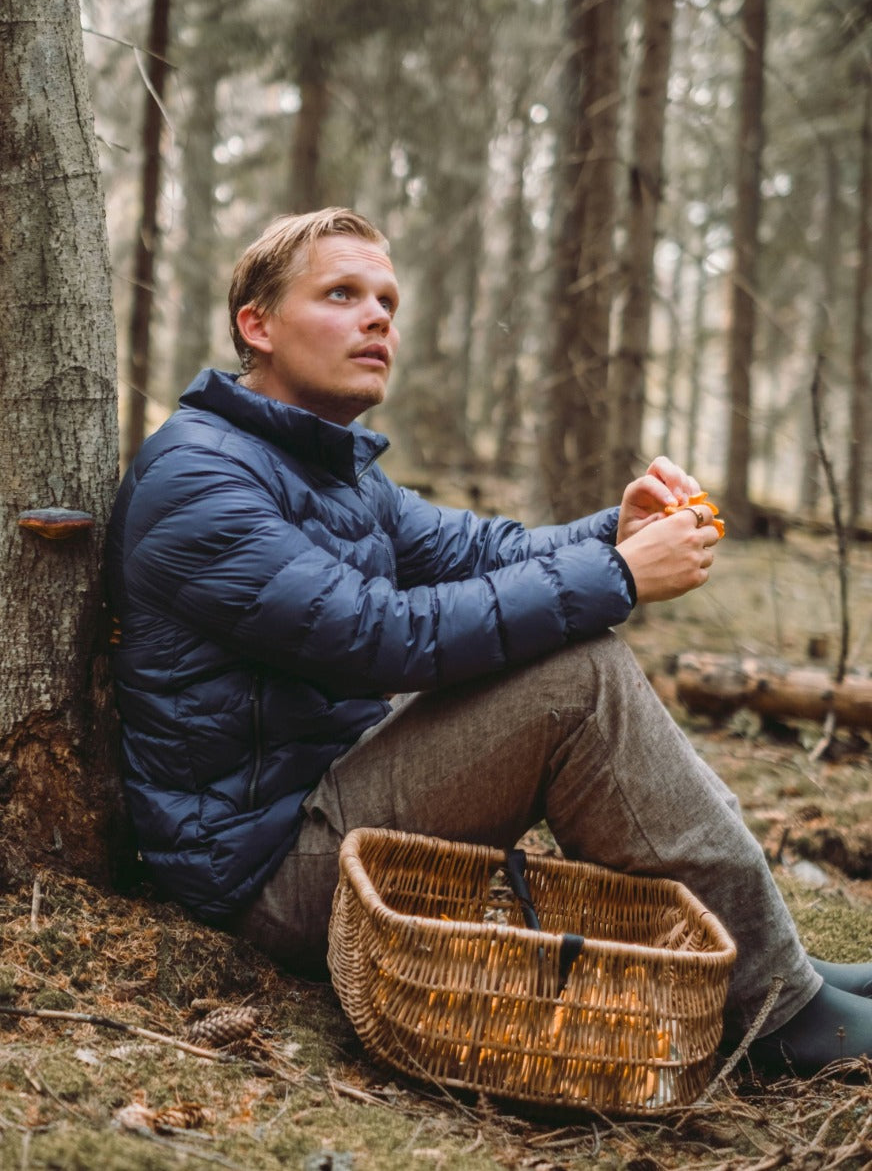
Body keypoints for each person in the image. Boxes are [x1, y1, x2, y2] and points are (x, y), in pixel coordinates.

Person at [106, 207, 872, 1077]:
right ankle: (778, 1013)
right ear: (258, 325)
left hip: (324, 801)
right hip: (264, 874)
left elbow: (476, 551)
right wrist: (620, 577)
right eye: (343, 294)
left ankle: (775, 961)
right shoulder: (200, 476)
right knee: (576, 680)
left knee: (570, 657)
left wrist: (612, 534)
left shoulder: (327, 466)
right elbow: (379, 635)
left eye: (388, 302)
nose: (378, 318)